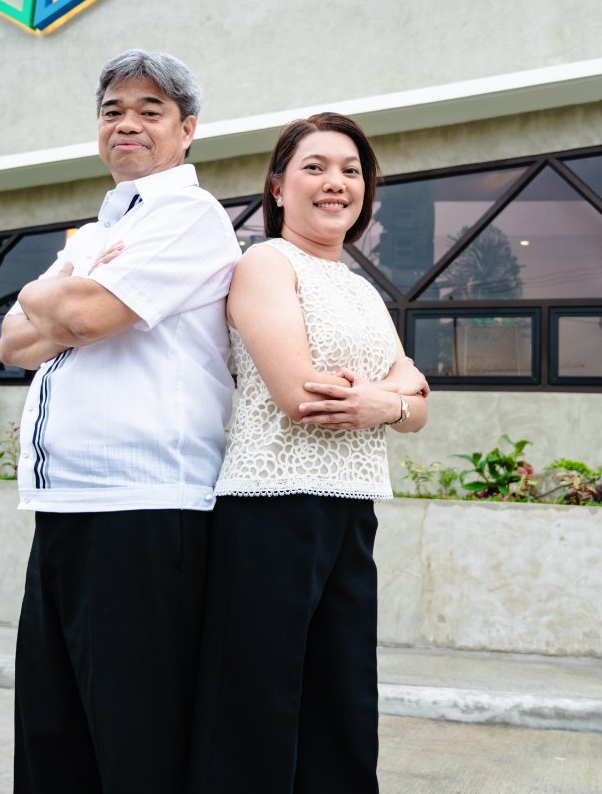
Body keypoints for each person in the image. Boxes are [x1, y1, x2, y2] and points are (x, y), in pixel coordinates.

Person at [0, 49, 241, 794]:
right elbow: (13, 345)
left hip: (142, 506)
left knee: (134, 736)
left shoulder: (189, 216)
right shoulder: (103, 228)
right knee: (53, 731)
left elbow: (84, 315)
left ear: (187, 129)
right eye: (113, 111)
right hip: (64, 503)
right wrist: (64, 294)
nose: (126, 124)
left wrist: (48, 290)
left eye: (149, 110)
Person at [190, 113, 430, 794]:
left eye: (351, 170)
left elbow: (417, 406)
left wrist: (387, 402)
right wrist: (395, 393)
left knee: (342, 706)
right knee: (256, 708)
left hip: (351, 508)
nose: (336, 183)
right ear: (278, 187)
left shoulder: (361, 288)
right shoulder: (265, 263)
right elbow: (304, 396)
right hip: (270, 508)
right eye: (315, 167)